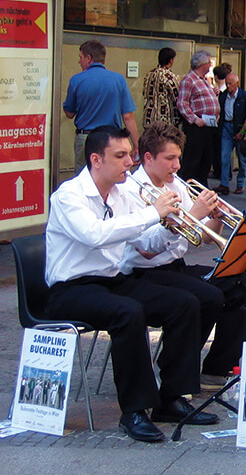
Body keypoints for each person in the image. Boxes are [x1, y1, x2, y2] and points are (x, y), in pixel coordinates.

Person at [45, 126, 218, 443]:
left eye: (130, 155)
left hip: (112, 280)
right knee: (128, 312)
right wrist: (154, 212)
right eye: (120, 155)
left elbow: (145, 241)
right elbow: (96, 235)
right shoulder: (69, 196)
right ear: (96, 159)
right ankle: (134, 411)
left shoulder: (122, 194)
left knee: (185, 303)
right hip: (70, 289)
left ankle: (172, 398)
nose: (129, 162)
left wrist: (168, 224)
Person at [120, 122, 246, 390]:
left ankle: (217, 368)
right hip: (142, 275)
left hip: (175, 268)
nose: (177, 166)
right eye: (170, 158)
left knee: (243, 285)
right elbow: (146, 250)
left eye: (179, 158)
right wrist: (194, 214)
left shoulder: (178, 185)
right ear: (148, 158)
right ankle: (177, 370)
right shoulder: (130, 192)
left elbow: (204, 237)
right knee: (207, 296)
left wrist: (214, 217)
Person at [63, 40, 138, 173]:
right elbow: (128, 116)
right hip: (112, 139)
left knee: (84, 178)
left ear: (89, 58)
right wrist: (136, 145)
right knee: (113, 175)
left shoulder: (76, 80)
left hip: (85, 138)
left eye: (80, 57)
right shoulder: (119, 80)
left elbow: (69, 113)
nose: (79, 62)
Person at [177, 50, 220, 187]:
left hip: (209, 125)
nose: (210, 66)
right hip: (197, 125)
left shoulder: (204, 80)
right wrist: (195, 119)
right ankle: (189, 188)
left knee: (206, 160)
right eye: (209, 63)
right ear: (202, 64)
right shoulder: (189, 79)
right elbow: (182, 103)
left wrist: (214, 94)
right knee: (193, 160)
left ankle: (201, 187)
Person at [215, 73, 246, 195]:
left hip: (239, 126)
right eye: (226, 83)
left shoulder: (245, 96)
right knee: (225, 157)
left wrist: (244, 132)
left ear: (237, 84)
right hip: (227, 126)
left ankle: (240, 184)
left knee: (242, 159)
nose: (228, 86)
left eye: (230, 83)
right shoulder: (224, 95)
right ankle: (224, 184)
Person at [142, 47, 181, 128]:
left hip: (149, 118)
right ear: (171, 60)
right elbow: (177, 97)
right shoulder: (169, 76)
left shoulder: (149, 74)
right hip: (165, 121)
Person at [209, 63, 232, 181]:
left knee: (220, 149)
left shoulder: (220, 91)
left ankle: (221, 172)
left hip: (219, 122)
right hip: (222, 122)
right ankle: (225, 172)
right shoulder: (223, 90)